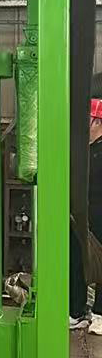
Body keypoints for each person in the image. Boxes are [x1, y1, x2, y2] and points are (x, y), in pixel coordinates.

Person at [70, 98, 102, 334]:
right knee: (77, 259)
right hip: (82, 216)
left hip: (99, 215)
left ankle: (100, 314)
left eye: (88, 121)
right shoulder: (86, 150)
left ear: (98, 122)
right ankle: (77, 310)